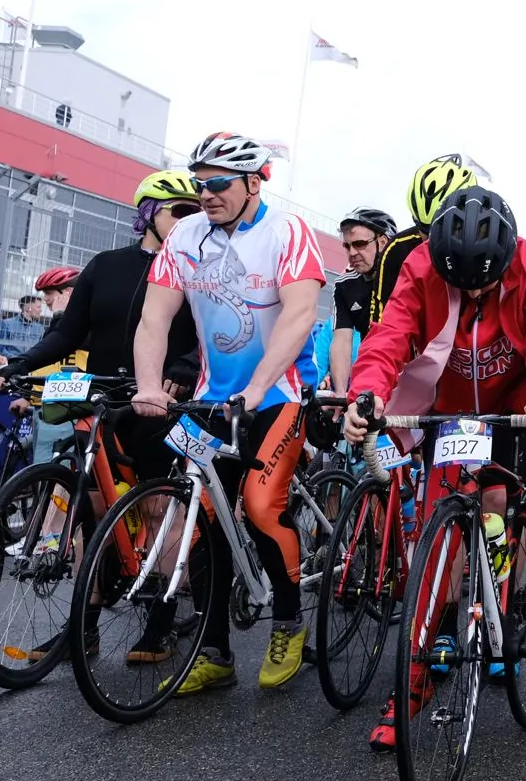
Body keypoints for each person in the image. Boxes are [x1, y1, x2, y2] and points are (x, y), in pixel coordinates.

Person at [343, 186, 526, 749]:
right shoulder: (420, 266)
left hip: (516, 391)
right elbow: (390, 334)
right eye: (462, 281)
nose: (473, 290)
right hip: (450, 404)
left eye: (484, 280)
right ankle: (415, 676)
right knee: (436, 537)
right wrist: (367, 392)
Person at [132, 132, 328, 695]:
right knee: (204, 518)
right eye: (200, 184)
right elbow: (154, 318)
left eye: (219, 184)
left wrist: (257, 386)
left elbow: (298, 316)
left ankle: (288, 622)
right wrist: (149, 386)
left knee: (261, 507)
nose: (207, 194)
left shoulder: (287, 232)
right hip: (213, 399)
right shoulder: (186, 236)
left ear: (253, 182)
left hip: (278, 397)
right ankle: (214, 651)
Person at [0, 171, 204, 481]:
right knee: (90, 504)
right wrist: (19, 363)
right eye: (182, 211)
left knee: (154, 510)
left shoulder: (199, 270)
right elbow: (67, 333)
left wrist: (190, 362)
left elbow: (219, 334)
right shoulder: (105, 264)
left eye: (198, 213)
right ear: (148, 212)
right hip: (105, 400)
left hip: (162, 402)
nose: (191, 221)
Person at [369, 154, 477, 327]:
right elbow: (382, 320)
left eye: (445, 230)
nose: (431, 241)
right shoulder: (397, 249)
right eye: (423, 230)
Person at [329, 207, 397, 392]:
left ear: (383, 242)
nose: (352, 253)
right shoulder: (344, 285)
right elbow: (342, 341)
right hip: (374, 371)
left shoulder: (406, 276)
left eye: (359, 244)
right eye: (347, 245)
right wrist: (341, 393)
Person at [0, 295, 47, 359]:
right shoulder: (6, 323)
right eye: (38, 307)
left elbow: (41, 349)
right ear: (28, 308)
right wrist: (13, 358)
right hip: (12, 362)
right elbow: (0, 347)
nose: (40, 310)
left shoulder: (40, 329)